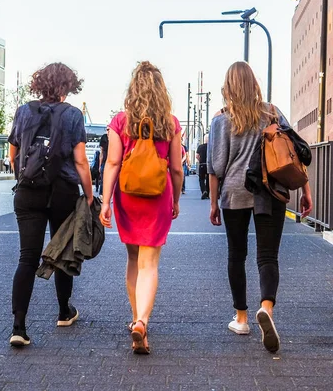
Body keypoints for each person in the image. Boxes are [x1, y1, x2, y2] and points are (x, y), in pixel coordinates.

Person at [207, 61, 313, 353]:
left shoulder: (221, 120)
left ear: (228, 87)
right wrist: (306, 190)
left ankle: (241, 318)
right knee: (268, 257)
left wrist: (214, 203)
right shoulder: (272, 112)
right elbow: (294, 152)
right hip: (270, 191)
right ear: (254, 83)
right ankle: (266, 307)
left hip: (234, 194)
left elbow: (216, 166)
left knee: (236, 255)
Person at [7, 62, 93, 347]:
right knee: (62, 252)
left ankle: (19, 327)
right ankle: (64, 311)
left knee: (27, 257)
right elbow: (81, 161)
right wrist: (89, 194)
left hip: (28, 190)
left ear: (39, 84)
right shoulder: (72, 115)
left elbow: (13, 154)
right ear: (67, 86)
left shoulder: (23, 111)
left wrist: (23, 179)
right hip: (62, 191)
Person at [100, 61, 184, 354]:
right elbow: (176, 169)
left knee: (134, 260)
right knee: (150, 263)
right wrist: (175, 200)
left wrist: (106, 201)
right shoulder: (170, 123)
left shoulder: (120, 122)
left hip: (128, 196)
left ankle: (136, 319)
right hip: (158, 196)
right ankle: (142, 322)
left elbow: (111, 163)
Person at [196, 134, 209, 199]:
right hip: (209, 165)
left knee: (201, 179)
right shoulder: (211, 146)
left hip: (202, 164)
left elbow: (197, 156)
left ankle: (203, 191)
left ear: (204, 139)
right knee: (209, 179)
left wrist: (200, 160)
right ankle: (208, 192)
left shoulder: (200, 147)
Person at [98, 128, 109, 194]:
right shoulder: (104, 137)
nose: (108, 131)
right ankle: (101, 195)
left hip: (112, 161)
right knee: (103, 181)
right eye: (107, 129)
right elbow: (101, 152)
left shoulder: (115, 138)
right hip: (105, 162)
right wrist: (100, 165)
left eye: (109, 129)